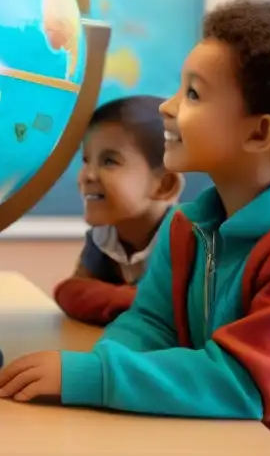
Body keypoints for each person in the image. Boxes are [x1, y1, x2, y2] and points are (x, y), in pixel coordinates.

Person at [0, 0, 270, 456]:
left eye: (194, 95)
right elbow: (151, 323)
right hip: (222, 446)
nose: (168, 106)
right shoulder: (188, 227)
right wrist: (104, 366)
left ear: (259, 133)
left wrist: (97, 378)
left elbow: (243, 381)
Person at [54, 95, 182, 326]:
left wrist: (106, 297)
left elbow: (181, 315)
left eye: (109, 161)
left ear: (164, 185)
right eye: (86, 160)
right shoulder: (104, 238)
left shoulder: (189, 241)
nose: (88, 175)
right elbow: (69, 291)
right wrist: (138, 302)